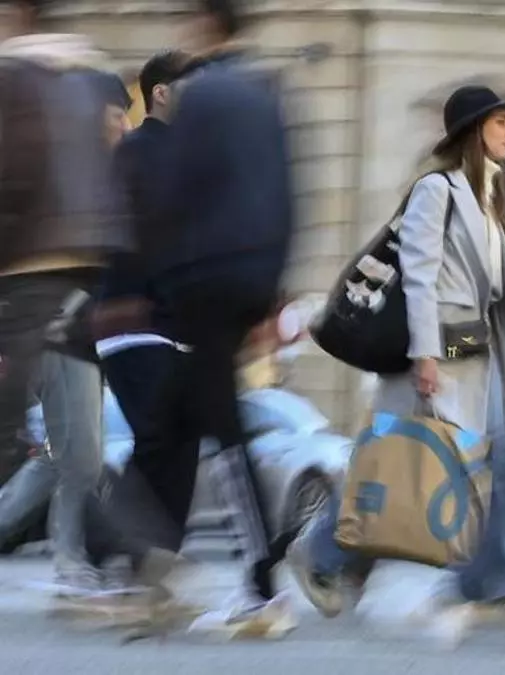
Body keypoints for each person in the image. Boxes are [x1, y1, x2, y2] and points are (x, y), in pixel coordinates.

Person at [289, 84, 505, 627]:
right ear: (474, 131)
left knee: (488, 458)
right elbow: (419, 277)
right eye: (501, 123)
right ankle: (325, 553)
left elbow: (497, 285)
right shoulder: (436, 190)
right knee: (399, 461)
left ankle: (492, 582)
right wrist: (425, 355)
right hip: (434, 355)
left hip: (474, 353)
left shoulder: (484, 197)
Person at [149, 0, 297, 636]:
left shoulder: (200, 95)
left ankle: (263, 585)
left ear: (206, 25)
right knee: (170, 418)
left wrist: (162, 276)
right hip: (252, 274)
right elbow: (290, 194)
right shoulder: (266, 94)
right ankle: (142, 565)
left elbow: (175, 190)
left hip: (204, 275)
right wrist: (272, 290)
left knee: (219, 421)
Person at [0, 68, 131, 593]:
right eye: (117, 114)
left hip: (83, 331)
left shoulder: (100, 173)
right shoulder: (67, 174)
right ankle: (70, 559)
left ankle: (60, 550)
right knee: (80, 453)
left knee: (63, 453)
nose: (124, 126)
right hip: (57, 325)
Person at [95, 49, 197, 557]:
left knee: (178, 439)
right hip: (134, 320)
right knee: (162, 436)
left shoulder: (182, 154)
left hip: (170, 324)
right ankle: (113, 539)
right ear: (161, 92)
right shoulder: (137, 153)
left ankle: (155, 554)